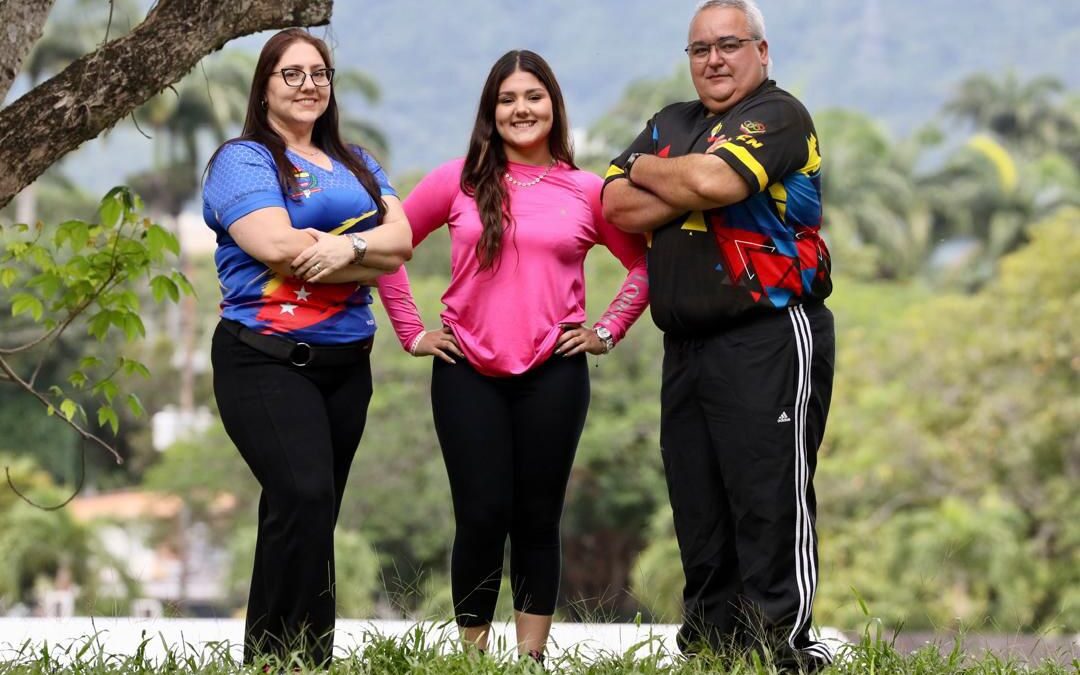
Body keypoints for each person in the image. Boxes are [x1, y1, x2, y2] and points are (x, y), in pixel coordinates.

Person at [372, 49, 649, 663]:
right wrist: (412, 332)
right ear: (490, 111)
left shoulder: (588, 191)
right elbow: (388, 249)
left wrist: (608, 329)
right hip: (465, 371)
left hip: (555, 373)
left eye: (533, 96)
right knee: (480, 515)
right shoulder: (456, 181)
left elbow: (645, 266)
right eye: (507, 99)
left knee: (537, 519)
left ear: (553, 106)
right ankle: (471, 661)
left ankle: (530, 660)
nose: (521, 109)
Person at [601, 1, 834, 671]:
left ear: (761, 50)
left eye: (729, 45)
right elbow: (613, 203)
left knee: (768, 498)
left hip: (768, 332)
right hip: (685, 343)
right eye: (700, 49)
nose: (714, 60)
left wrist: (652, 168)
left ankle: (783, 651)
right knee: (698, 506)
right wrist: (690, 177)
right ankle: (711, 651)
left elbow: (712, 178)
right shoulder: (672, 120)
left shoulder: (778, 114)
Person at [201, 28, 411, 667]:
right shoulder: (243, 160)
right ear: (264, 87)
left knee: (306, 515)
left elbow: (401, 244)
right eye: (291, 74)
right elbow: (275, 248)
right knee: (305, 496)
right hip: (265, 357)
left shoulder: (359, 162)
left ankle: (285, 658)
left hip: (347, 364)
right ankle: (287, 657)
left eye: (319, 73)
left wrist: (344, 248)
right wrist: (365, 251)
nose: (308, 85)